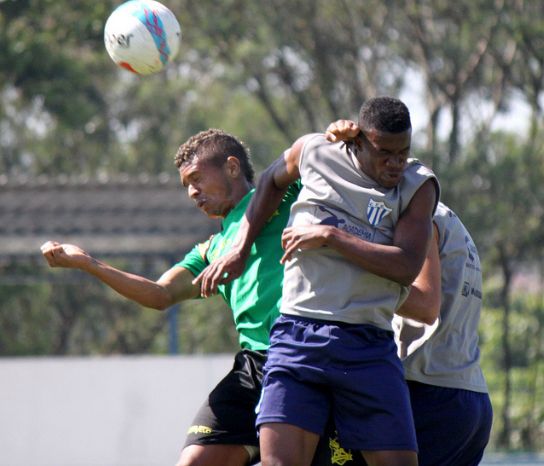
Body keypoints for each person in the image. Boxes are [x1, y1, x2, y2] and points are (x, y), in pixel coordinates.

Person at [195, 97, 440, 466]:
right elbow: (269, 181)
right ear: (357, 142)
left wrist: (331, 236)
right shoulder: (316, 151)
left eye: (403, 152)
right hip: (298, 336)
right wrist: (241, 248)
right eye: (385, 153)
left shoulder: (417, 185)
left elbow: (406, 265)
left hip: (368, 345)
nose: (395, 163)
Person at [40, 128, 302, 466]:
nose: (192, 192)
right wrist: (88, 264)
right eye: (186, 186)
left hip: (301, 351)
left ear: (232, 167)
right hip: (255, 364)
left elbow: (301, 157)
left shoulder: (278, 195)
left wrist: (340, 133)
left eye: (196, 178)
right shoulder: (211, 249)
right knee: (194, 461)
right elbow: (160, 294)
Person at [312, 123, 493, 466]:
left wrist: (346, 278)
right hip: (468, 399)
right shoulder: (445, 218)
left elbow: (425, 305)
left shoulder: (420, 220)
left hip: (427, 392)